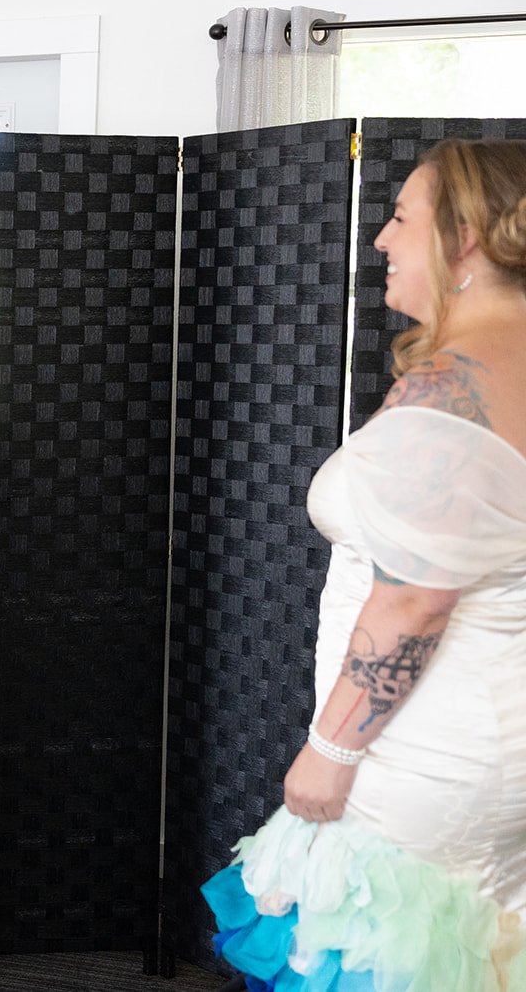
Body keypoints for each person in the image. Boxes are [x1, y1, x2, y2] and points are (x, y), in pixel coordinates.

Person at [203, 138, 526, 991]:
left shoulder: (451, 387)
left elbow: (416, 601)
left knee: (383, 952)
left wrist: (329, 752)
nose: (380, 238)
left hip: (426, 749)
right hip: (503, 734)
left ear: (465, 237)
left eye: (400, 217)